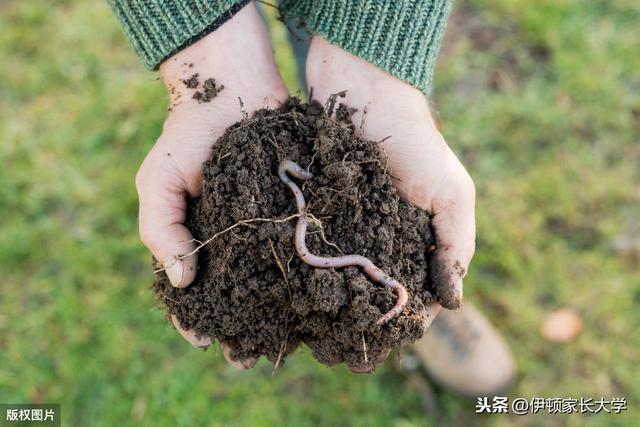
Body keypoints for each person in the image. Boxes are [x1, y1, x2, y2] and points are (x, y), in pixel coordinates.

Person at [108, 0, 515, 396]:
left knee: (323, 35)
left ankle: (402, 290)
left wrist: (376, 57)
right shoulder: (291, 187)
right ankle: (395, 295)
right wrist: (204, 49)